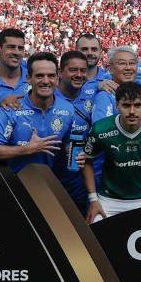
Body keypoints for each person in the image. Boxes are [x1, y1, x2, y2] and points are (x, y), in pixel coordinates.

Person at [82, 81, 141, 221]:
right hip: (109, 200)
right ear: (117, 105)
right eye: (126, 105)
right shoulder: (100, 129)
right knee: (94, 232)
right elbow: (86, 162)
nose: (132, 111)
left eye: (137, 105)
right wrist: (93, 199)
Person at [0, 52, 77, 174]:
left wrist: (76, 154)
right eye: (39, 76)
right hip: (16, 184)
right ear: (28, 78)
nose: (46, 81)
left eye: (51, 76)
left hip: (50, 182)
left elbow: (69, 145)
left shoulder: (68, 109)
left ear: (57, 78)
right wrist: (27, 149)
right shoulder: (12, 109)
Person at [55, 50, 99, 209]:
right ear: (60, 72)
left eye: (83, 70)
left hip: (85, 181)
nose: (79, 74)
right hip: (53, 179)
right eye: (73, 70)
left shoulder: (96, 92)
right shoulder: (46, 95)